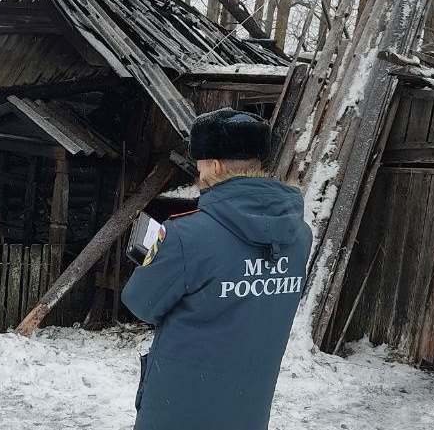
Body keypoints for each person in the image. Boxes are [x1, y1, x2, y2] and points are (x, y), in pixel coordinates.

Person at [121, 108, 312, 430]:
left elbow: (141, 303)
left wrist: (152, 258)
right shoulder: (299, 234)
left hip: (180, 404)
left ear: (215, 165)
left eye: (199, 164)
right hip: (250, 400)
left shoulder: (186, 234)